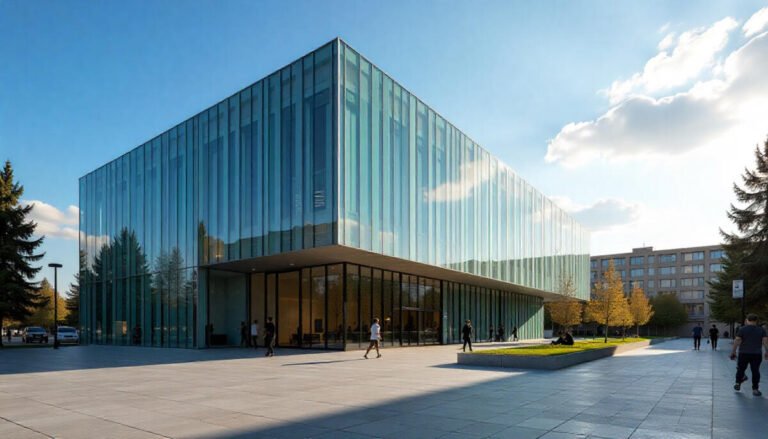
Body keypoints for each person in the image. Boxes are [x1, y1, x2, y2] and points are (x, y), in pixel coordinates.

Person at [730, 314, 768, 396]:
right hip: (756, 354)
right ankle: (755, 389)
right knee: (755, 371)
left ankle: (737, 383)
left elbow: (737, 340)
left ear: (747, 320)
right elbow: (765, 341)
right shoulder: (761, 330)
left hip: (744, 353)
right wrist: (767, 352)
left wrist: (733, 352)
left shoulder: (742, 329)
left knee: (740, 369)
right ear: (756, 321)